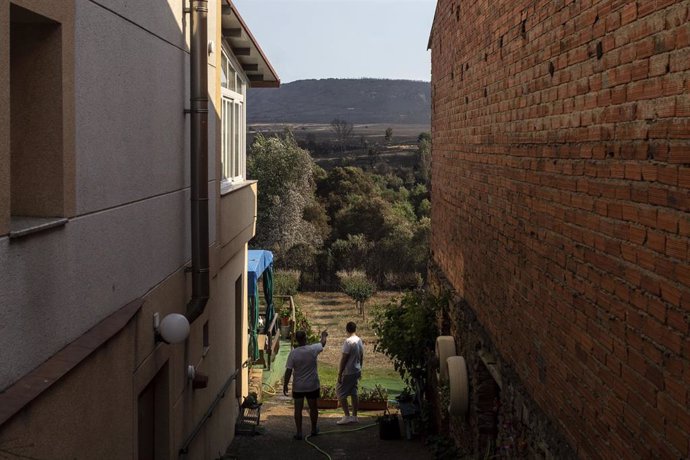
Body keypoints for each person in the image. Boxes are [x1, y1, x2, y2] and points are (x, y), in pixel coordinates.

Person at [283, 329, 328, 440]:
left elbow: (288, 371)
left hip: (298, 387)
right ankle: (313, 429)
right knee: (313, 408)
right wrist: (324, 335)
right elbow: (322, 343)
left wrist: (285, 384)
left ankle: (299, 433)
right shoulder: (313, 349)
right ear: (305, 338)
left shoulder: (293, 353)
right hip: (312, 385)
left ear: (297, 340)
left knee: (298, 409)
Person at [336, 321, 364, 425]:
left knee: (340, 392)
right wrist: (360, 368)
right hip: (356, 370)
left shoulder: (348, 342)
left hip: (348, 372)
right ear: (355, 329)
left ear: (347, 330)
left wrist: (340, 373)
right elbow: (361, 356)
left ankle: (347, 416)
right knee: (353, 392)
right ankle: (355, 416)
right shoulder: (359, 340)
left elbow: (344, 358)